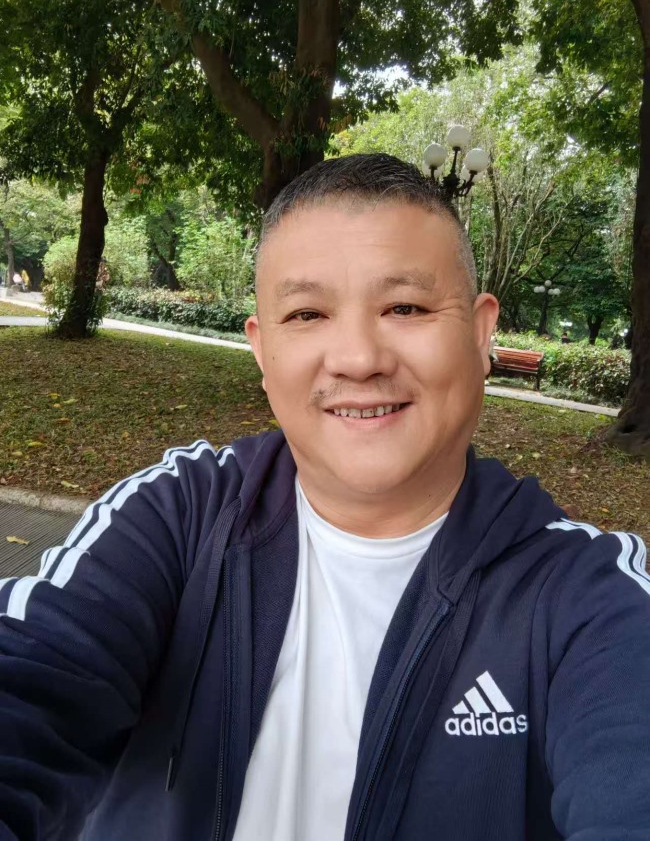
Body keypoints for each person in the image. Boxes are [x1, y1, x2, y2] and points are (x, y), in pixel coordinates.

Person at [0, 154, 649, 841]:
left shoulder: (585, 596)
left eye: (405, 307)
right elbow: (31, 683)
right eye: (307, 313)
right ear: (261, 349)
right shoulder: (177, 518)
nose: (359, 359)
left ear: (481, 331)